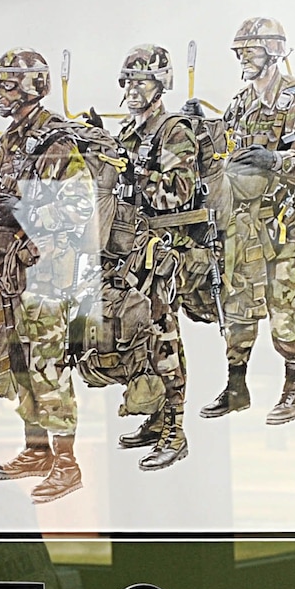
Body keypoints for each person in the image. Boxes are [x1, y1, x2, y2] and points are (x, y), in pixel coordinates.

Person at [0, 48, 115, 502]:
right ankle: (36, 451)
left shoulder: (55, 140)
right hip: (13, 271)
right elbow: (2, 192)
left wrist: (23, 208)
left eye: (7, 85)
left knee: (47, 366)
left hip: (47, 273)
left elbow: (80, 207)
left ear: (30, 88)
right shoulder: (13, 138)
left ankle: (68, 465)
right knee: (18, 361)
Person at [199, 17, 295, 426]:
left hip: (285, 224)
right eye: (240, 51)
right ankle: (237, 385)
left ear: (274, 52)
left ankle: (292, 391)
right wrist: (198, 124)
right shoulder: (240, 102)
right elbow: (224, 148)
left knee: (284, 307)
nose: (244, 57)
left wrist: (276, 159)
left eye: (252, 50)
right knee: (239, 304)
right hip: (242, 226)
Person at [91, 43, 198, 469]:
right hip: (128, 249)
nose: (133, 89)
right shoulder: (130, 132)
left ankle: (176, 430)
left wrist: (132, 173)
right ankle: (155, 418)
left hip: (163, 250)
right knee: (138, 336)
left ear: (161, 84)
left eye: (143, 81)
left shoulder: (173, 130)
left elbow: (178, 191)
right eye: (128, 81)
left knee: (164, 337)